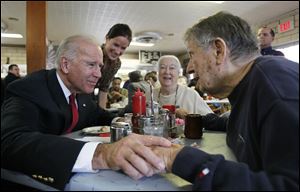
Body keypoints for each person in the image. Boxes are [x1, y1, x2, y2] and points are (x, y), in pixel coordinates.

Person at [151, 11, 299, 190]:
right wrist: (198, 119)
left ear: (218, 51)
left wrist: (178, 159)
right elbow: (240, 126)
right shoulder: (251, 84)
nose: (189, 68)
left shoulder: (275, 85)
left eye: (192, 55)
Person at [1, 35, 171, 190]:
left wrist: (126, 119)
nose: (98, 74)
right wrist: (101, 155)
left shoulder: (81, 93)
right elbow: (9, 141)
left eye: (100, 66)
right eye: (91, 65)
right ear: (65, 64)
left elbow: (100, 116)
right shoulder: (29, 88)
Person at [96, 23, 132, 109]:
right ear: (107, 39)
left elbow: (104, 89)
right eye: (115, 45)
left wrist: (102, 114)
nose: (117, 51)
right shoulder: (94, 54)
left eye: (123, 48)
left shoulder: (116, 64)